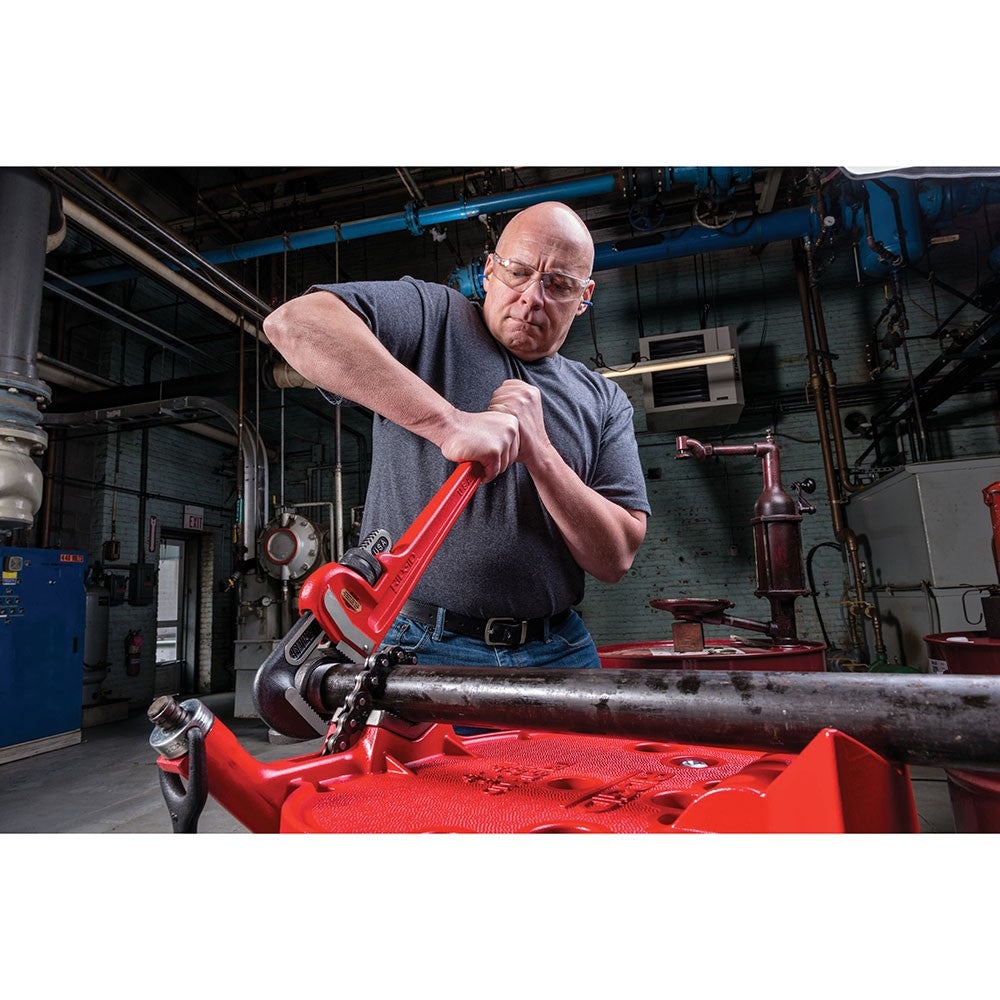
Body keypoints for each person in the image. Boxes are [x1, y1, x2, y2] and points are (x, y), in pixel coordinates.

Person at [263, 201, 650, 669]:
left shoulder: (603, 399)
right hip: (417, 640)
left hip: (559, 648)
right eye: (518, 272)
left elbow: (615, 558)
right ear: (488, 271)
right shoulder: (434, 319)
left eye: (558, 285)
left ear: (584, 296)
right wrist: (448, 423)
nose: (532, 297)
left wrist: (541, 453)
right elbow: (295, 324)